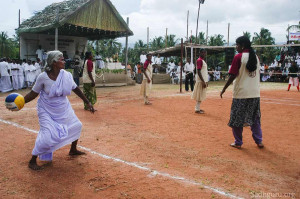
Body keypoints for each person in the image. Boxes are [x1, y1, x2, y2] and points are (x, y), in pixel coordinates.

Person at [22, 50, 95, 170]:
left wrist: (87, 102)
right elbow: (33, 94)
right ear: (54, 62)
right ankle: (32, 160)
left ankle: (73, 150)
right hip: (46, 109)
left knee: (76, 125)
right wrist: (21, 103)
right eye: (61, 59)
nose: (64, 61)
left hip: (63, 107)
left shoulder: (66, 75)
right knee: (46, 136)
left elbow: (75, 88)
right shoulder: (43, 77)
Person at [220, 36, 264, 149]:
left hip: (241, 94)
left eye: (237, 45)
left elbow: (233, 75)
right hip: (255, 93)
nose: (236, 47)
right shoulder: (256, 57)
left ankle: (238, 142)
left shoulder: (238, 57)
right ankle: (259, 141)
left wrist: (224, 88)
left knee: (237, 119)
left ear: (242, 45)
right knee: (255, 118)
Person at [192, 49, 208, 114]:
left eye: (205, 53)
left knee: (200, 94)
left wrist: (206, 81)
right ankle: (197, 109)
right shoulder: (199, 60)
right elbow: (198, 71)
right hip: (201, 81)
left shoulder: (202, 61)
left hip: (202, 80)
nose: (204, 54)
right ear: (200, 53)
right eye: (203, 52)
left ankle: (198, 108)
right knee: (199, 94)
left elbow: (195, 70)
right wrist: (203, 81)